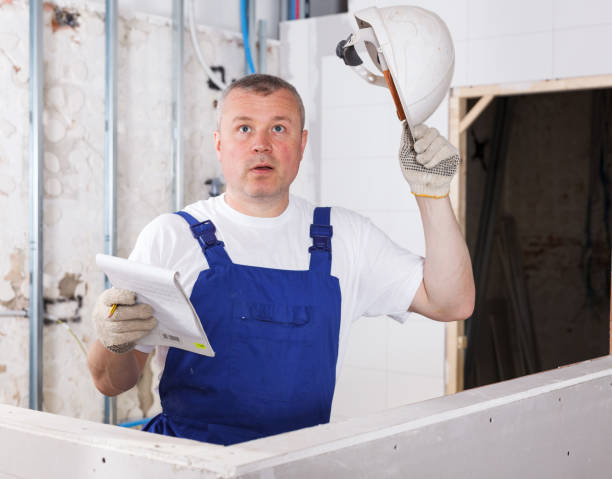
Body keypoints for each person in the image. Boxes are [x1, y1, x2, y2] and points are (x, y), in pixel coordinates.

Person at [87, 74, 475, 446]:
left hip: (295, 465)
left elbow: (451, 301)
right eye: (243, 129)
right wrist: (113, 341)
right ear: (219, 143)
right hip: (186, 463)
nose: (261, 144)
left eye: (278, 128)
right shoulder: (170, 237)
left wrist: (433, 194)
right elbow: (110, 382)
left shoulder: (347, 237)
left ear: (302, 143)